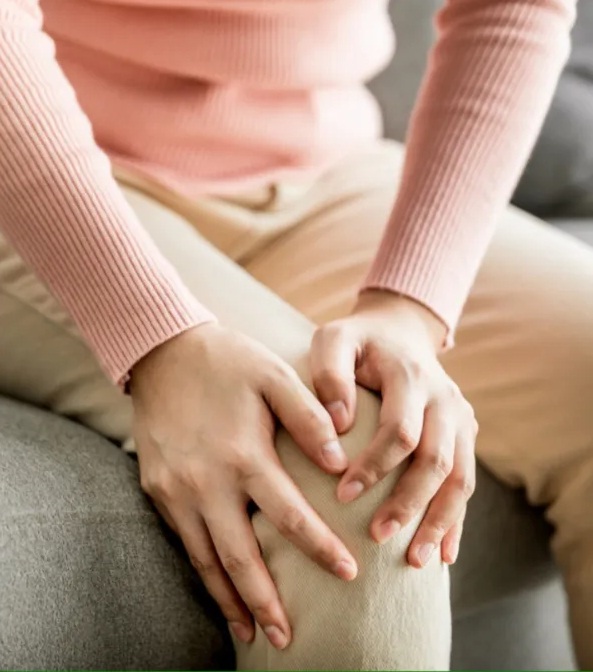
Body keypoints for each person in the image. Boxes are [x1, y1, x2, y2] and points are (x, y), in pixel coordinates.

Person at [0, 0, 588, 669]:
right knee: (346, 472)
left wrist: (410, 307)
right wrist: (156, 337)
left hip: (321, 167)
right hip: (35, 171)